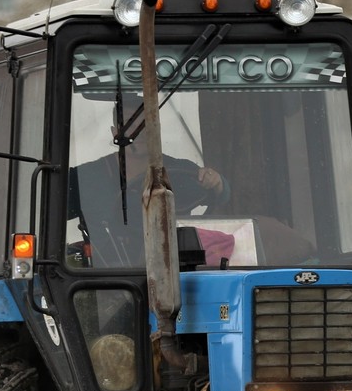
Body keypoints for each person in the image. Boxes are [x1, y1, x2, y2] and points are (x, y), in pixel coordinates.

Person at [66, 95, 229, 267]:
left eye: (145, 125)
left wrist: (216, 181)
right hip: (104, 276)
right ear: (115, 132)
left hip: (173, 270)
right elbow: (54, 210)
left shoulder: (180, 172)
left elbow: (221, 195)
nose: (139, 133)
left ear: (156, 129)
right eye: (129, 125)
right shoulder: (85, 176)